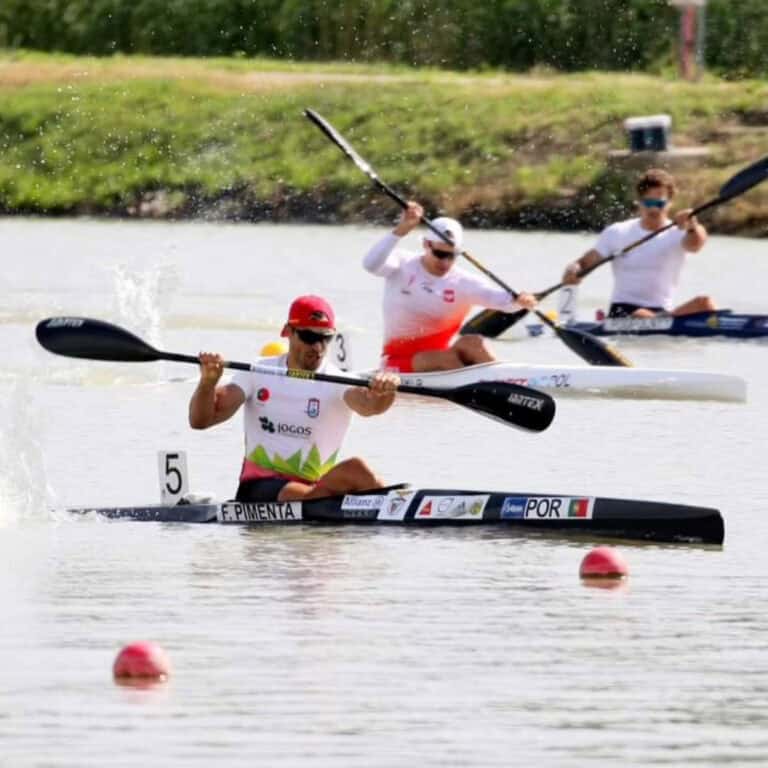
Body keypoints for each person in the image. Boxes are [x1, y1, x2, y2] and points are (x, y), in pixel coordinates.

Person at [188, 295, 399, 502]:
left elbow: (371, 407)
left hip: (314, 490)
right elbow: (201, 421)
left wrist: (386, 390)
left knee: (357, 470)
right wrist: (207, 384)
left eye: (325, 338)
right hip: (259, 488)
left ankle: (397, 510)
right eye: (309, 337)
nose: (318, 347)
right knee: (338, 480)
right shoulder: (258, 371)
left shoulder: (339, 380)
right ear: (288, 332)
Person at [363, 202, 538, 372]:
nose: (446, 262)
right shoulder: (402, 264)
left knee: (473, 342)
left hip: (443, 358)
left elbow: (503, 302)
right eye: (440, 254)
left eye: (452, 256)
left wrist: (521, 300)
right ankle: (479, 387)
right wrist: (401, 230)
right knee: (444, 359)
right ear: (426, 244)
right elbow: (371, 264)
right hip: (397, 361)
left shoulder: (463, 282)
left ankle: (508, 380)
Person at [561, 168, 714, 318]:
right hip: (624, 310)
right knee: (640, 314)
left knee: (705, 303)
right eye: (648, 202)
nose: (653, 208)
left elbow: (695, 245)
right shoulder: (617, 232)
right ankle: (666, 320)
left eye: (659, 203)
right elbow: (586, 262)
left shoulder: (682, 232)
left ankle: (667, 320)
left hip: (661, 312)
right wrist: (574, 269)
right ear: (639, 202)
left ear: (670, 203)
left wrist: (692, 226)